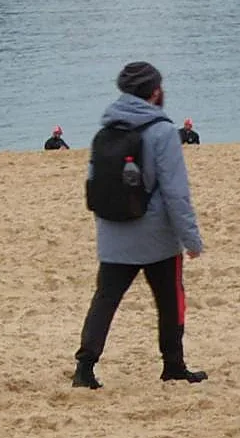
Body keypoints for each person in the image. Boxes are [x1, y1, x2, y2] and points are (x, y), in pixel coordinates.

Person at [74, 62, 206, 390]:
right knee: (170, 300)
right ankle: (173, 366)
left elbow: (94, 184)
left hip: (114, 232)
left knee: (105, 300)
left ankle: (85, 368)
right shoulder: (162, 131)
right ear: (156, 92)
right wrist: (191, 238)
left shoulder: (105, 130)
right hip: (157, 237)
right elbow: (176, 193)